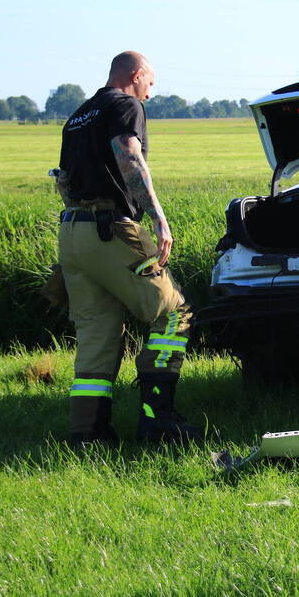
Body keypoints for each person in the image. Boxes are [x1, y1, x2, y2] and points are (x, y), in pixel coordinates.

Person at [55, 51, 203, 445]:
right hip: (111, 231)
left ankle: (87, 434)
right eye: (150, 84)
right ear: (136, 75)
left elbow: (64, 181)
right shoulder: (126, 104)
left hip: (72, 232)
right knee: (173, 314)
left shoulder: (79, 116)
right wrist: (157, 217)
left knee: (96, 333)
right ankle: (159, 420)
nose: (150, 94)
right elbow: (128, 154)